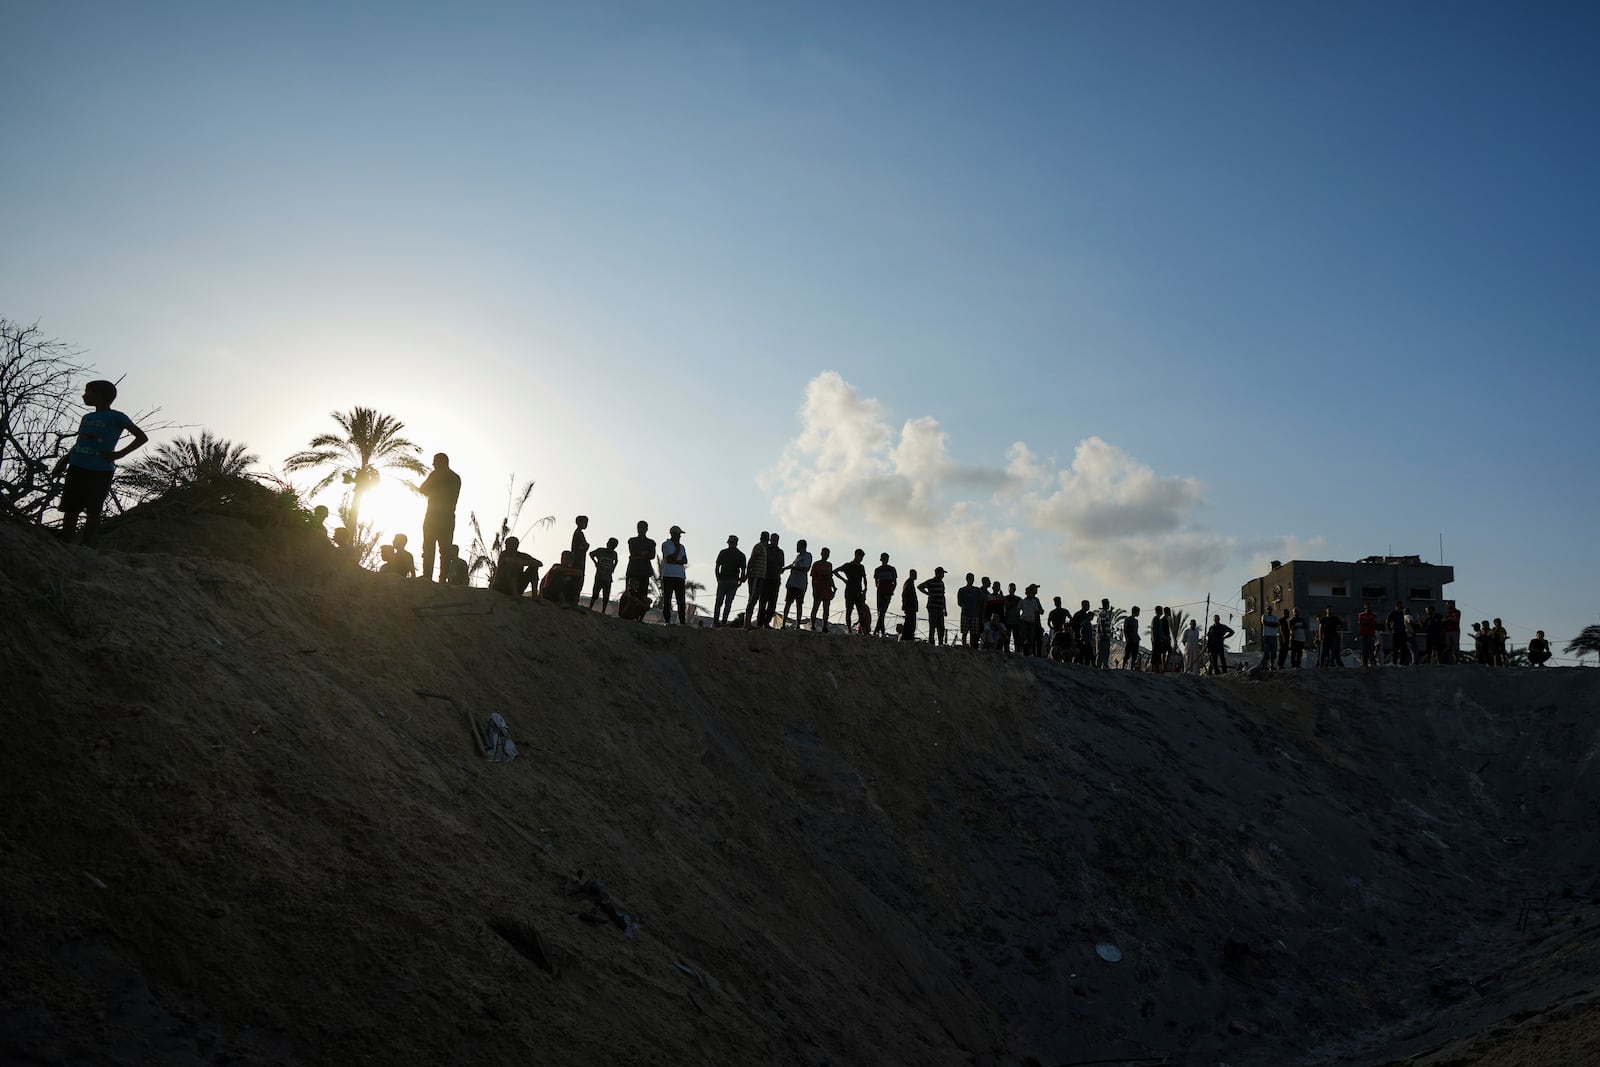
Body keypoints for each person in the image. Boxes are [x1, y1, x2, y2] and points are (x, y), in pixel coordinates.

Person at [52, 379, 148, 545]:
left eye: (88, 392)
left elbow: (141, 437)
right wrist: (64, 460)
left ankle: (87, 545)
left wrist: (119, 454)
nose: (84, 395)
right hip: (77, 465)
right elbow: (80, 442)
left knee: (94, 508)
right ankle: (65, 543)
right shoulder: (87, 417)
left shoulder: (117, 417)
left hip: (100, 469)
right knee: (71, 506)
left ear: (99, 395)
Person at [418, 453, 462, 582]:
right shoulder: (454, 477)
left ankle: (429, 576)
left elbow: (423, 489)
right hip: (445, 517)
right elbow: (423, 489)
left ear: (442, 462)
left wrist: (434, 491)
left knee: (434, 548)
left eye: (435, 461)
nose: (433, 464)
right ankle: (440, 578)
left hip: (436, 516)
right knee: (442, 549)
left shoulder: (439, 476)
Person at [713, 535, 746, 627]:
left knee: (720, 601)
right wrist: (740, 581)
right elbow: (743, 571)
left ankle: (717, 621)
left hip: (724, 580)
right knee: (728, 602)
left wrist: (718, 578)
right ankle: (723, 621)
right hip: (732, 580)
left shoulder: (723, 552)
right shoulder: (740, 555)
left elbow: (717, 567)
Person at [834, 549, 869, 634]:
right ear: (856, 555)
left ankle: (864, 631)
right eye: (860, 557)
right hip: (850, 590)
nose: (861, 559)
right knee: (849, 610)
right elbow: (835, 571)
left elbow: (864, 578)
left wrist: (865, 588)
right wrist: (844, 580)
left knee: (861, 612)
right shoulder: (848, 565)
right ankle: (849, 629)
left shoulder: (861, 567)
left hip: (858, 591)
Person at [782, 538, 814, 629]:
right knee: (788, 603)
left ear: (802, 546)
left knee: (799, 604)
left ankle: (798, 625)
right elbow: (793, 565)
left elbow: (805, 568)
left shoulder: (807, 556)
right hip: (792, 583)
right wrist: (785, 568)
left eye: (798, 546)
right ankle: (783, 624)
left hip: (800, 584)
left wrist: (794, 568)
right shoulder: (798, 557)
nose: (796, 547)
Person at [659, 525, 689, 625]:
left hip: (680, 576)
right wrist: (677, 550)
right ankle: (667, 621)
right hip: (668, 575)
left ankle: (682, 621)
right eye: (678, 534)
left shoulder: (682, 547)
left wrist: (676, 561)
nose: (680, 537)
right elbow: (670, 558)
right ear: (673, 534)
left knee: (681, 600)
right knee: (667, 599)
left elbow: (685, 560)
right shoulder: (666, 544)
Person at [625, 521, 657, 609]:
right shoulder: (632, 540)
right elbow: (633, 552)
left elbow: (652, 555)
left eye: (643, 528)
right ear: (637, 528)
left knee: (643, 594)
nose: (641, 529)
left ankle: (639, 615)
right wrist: (643, 554)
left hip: (644, 571)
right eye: (640, 527)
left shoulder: (651, 542)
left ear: (646, 529)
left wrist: (637, 555)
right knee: (629, 592)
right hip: (633, 570)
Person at [743, 532, 769, 629]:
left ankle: (747, 622)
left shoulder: (763, 548)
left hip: (759, 577)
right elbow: (752, 558)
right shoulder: (759, 547)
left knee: (754, 599)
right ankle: (747, 623)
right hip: (756, 576)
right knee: (752, 599)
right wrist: (748, 573)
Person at [759, 534, 785, 628]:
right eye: (773, 539)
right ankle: (760, 622)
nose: (774, 541)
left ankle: (767, 622)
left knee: (772, 603)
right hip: (765, 578)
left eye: (776, 539)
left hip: (775, 579)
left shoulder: (780, 552)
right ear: (770, 540)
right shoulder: (765, 549)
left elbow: (781, 566)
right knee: (762, 601)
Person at [919, 567, 949, 646]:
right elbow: (920, 586)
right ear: (938, 573)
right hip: (933, 607)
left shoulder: (941, 583)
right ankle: (931, 643)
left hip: (940, 607)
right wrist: (928, 594)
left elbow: (943, 596)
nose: (943, 575)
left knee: (941, 627)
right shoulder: (931, 582)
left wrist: (945, 609)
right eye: (942, 573)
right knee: (932, 626)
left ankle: (940, 643)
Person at [809, 547, 837, 631]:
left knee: (826, 609)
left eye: (827, 554)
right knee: (815, 607)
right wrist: (814, 589)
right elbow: (813, 578)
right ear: (821, 554)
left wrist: (833, 587)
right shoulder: (816, 564)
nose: (826, 555)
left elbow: (830, 577)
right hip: (818, 588)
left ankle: (824, 626)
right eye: (824, 553)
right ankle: (813, 625)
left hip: (827, 589)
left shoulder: (829, 565)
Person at [589, 537, 619, 613]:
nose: (611, 547)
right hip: (600, 576)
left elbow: (616, 561)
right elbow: (591, 554)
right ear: (607, 544)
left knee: (606, 595)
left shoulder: (614, 554)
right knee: (595, 593)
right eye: (611, 545)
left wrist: (613, 568)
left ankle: (603, 611)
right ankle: (590, 607)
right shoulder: (600, 551)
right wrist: (596, 563)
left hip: (608, 577)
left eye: (613, 546)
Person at [873, 553, 897, 636]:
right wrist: (879, 589)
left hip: (888, 592)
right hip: (880, 592)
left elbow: (895, 582)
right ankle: (881, 631)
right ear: (881, 559)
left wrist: (891, 592)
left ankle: (877, 630)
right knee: (880, 612)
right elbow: (876, 582)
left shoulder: (892, 569)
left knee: (882, 612)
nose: (884, 560)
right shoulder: (877, 569)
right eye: (883, 558)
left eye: (886, 558)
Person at [1016, 584, 1044, 656]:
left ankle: (1031, 653)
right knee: (1024, 635)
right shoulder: (1023, 601)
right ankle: (1020, 651)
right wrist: (1019, 618)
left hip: (1033, 621)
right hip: (1024, 620)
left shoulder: (1035, 601)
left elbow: (1037, 611)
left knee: (1032, 638)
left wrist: (1037, 617)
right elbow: (1018, 609)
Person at [959, 574, 985, 648]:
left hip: (974, 614)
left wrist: (977, 609)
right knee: (964, 632)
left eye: (973, 579)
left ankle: (972, 647)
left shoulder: (977, 590)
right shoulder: (962, 590)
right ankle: (964, 646)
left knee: (973, 634)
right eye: (970, 578)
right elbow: (959, 602)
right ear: (967, 579)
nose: (971, 580)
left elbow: (981, 600)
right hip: (965, 613)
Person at [1387, 602, 1411, 666]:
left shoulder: (1401, 613)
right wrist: (1390, 629)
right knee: (1395, 648)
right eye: (1400, 606)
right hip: (1396, 632)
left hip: (1402, 632)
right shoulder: (1393, 613)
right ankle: (1394, 662)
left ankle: (1401, 662)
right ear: (1397, 606)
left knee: (1404, 647)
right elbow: (1388, 621)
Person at [570, 515, 590, 590]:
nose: (586, 524)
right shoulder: (579, 533)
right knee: (578, 578)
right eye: (584, 522)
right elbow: (585, 545)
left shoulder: (578, 532)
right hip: (578, 559)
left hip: (578, 558)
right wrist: (586, 546)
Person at [1356, 602, 1378, 667]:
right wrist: (1368, 622)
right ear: (1364, 607)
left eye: (1369, 606)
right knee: (1364, 650)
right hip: (1363, 634)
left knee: (1371, 649)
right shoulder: (1361, 614)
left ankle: (1372, 664)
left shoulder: (1373, 615)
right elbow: (1360, 622)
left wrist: (1366, 622)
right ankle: (1364, 664)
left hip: (1371, 634)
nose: (1368, 608)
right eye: (1367, 606)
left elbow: (1374, 623)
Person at [899, 568, 920, 641]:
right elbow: (905, 595)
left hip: (911, 607)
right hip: (910, 607)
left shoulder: (910, 583)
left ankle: (908, 636)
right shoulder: (909, 583)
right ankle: (908, 637)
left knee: (910, 623)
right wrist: (905, 605)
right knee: (910, 623)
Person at [1149, 605, 1170, 673]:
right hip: (1157, 640)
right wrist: (1162, 638)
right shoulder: (1156, 619)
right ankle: (1154, 669)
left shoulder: (1159, 620)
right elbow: (1155, 630)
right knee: (1156, 655)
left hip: (1160, 639)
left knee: (1157, 655)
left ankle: (1157, 669)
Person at [1260, 605, 1279, 671]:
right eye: (1268, 609)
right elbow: (1264, 623)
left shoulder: (1275, 617)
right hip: (1266, 635)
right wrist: (1272, 624)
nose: (1269, 610)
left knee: (1273, 652)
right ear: (1266, 610)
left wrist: (1269, 623)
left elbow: (1276, 625)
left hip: (1273, 636)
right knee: (1266, 652)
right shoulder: (1264, 616)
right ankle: (1265, 666)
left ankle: (1272, 665)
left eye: (1270, 609)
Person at [1096, 599, 1114, 669]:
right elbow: (1102, 624)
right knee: (1101, 652)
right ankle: (1099, 666)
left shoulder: (1105, 612)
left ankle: (1105, 665)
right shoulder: (1102, 612)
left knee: (1106, 652)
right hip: (1103, 636)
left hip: (1106, 635)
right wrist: (1104, 634)